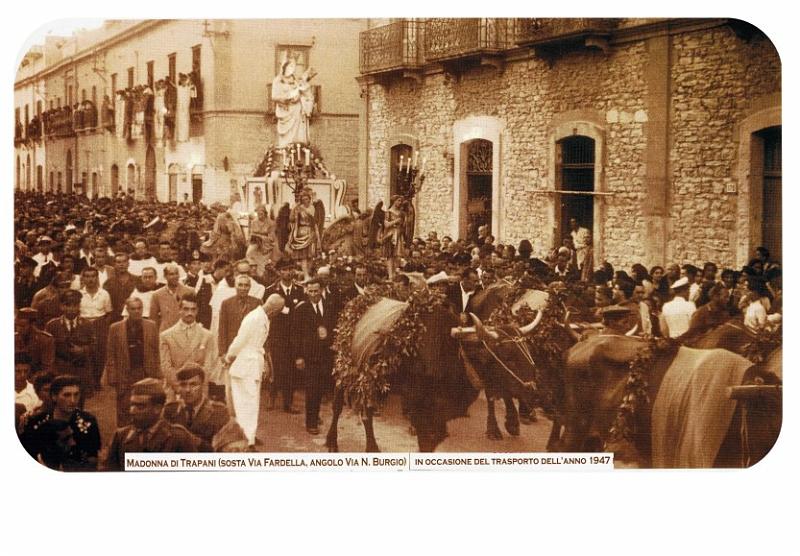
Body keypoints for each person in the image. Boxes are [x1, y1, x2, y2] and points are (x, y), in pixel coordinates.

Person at [224, 294, 286, 449]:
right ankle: (246, 441)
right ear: (273, 310)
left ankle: (249, 435)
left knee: (251, 403)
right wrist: (229, 357)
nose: (278, 314)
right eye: (278, 311)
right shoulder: (253, 318)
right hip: (245, 365)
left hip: (252, 365)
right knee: (245, 404)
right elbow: (239, 341)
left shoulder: (263, 317)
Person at [104, 378, 201, 471]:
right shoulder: (121, 437)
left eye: (140, 406)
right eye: (132, 405)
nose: (132, 411)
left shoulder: (178, 438)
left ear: (157, 409)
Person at [21, 375, 101, 471]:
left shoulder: (88, 421)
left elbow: (92, 459)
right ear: (54, 396)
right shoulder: (36, 422)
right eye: (66, 395)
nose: (72, 400)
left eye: (76, 395)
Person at [105, 297, 161, 426]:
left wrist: (157, 373)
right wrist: (112, 375)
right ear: (127, 310)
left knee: (148, 406)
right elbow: (111, 353)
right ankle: (124, 437)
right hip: (125, 374)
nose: (136, 311)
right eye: (133, 309)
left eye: (139, 308)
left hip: (145, 372)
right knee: (125, 408)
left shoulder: (151, 326)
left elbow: (157, 351)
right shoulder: (115, 328)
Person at [290, 279, 335, 434]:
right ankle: (311, 423)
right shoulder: (301, 309)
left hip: (327, 355)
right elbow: (295, 335)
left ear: (321, 290)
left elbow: (334, 327)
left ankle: (315, 415)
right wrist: (298, 357)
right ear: (306, 291)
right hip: (310, 356)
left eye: (316, 291)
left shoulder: (330, 305)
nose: (314, 294)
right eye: (311, 291)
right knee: (312, 389)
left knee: (321, 388)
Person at [263, 260, 306, 412]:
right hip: (276, 335)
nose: (288, 272)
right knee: (275, 368)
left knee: (290, 370)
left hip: (294, 336)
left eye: (290, 269)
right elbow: (266, 314)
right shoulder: (270, 290)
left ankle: (288, 402)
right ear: (279, 272)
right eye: (284, 270)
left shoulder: (300, 290)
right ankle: (272, 396)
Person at [162, 364, 231, 451]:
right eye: (183, 385)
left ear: (202, 385)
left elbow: (221, 449)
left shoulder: (219, 412)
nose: (188, 390)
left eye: (193, 384)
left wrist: (190, 438)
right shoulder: (170, 410)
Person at [44, 290, 97, 397]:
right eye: (68, 305)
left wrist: (83, 350)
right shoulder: (52, 325)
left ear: (79, 306)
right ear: (61, 306)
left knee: (79, 403)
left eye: (75, 305)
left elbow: (95, 346)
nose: (72, 309)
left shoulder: (87, 325)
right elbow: (47, 350)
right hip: (60, 371)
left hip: (81, 371)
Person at [159, 293, 214, 393]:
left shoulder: (207, 335)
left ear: (197, 311)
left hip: (199, 390)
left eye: (193, 309)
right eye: (186, 309)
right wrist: (181, 387)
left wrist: (195, 387)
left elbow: (208, 366)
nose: (189, 313)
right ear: (179, 310)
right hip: (175, 390)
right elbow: (166, 367)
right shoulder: (166, 336)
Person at [271, 58, 316, 146]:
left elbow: (303, 91)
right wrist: (287, 97)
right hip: (285, 110)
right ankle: (286, 147)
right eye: (290, 66)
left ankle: (298, 146)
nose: (292, 69)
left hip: (297, 109)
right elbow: (274, 96)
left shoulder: (295, 80)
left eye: (293, 67)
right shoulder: (278, 80)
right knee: (286, 140)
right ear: (284, 67)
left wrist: (303, 89)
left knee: (298, 134)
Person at [286, 189, 322, 280]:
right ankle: (306, 275)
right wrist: (295, 208)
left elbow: (315, 221)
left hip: (311, 232)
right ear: (301, 200)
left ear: (310, 199)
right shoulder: (298, 208)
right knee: (304, 256)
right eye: (304, 199)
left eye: (307, 199)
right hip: (302, 233)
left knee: (311, 255)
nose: (306, 201)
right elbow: (291, 219)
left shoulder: (312, 208)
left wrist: (317, 234)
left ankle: (307, 274)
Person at [149, 264, 194, 333]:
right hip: (166, 333)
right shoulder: (157, 294)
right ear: (165, 276)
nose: (175, 276)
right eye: (171, 274)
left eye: (176, 274)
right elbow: (153, 319)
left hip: (186, 332)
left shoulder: (189, 291)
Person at [14, 308, 55, 374]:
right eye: (16, 325)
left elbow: (47, 367)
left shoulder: (45, 340)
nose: (18, 329)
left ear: (32, 325)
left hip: (36, 378)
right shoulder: (13, 338)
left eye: (22, 326)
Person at [104, 252, 137, 322]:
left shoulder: (137, 280)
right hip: (114, 318)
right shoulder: (108, 283)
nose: (121, 264)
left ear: (128, 264)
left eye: (124, 262)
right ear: (114, 265)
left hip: (133, 317)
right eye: (118, 262)